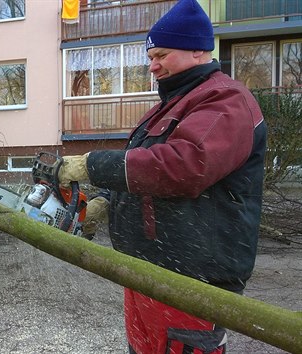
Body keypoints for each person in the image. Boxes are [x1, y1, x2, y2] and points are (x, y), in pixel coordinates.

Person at [57, 0, 267, 353]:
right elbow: (142, 168)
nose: (152, 66)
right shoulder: (169, 106)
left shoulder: (225, 101)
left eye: (162, 55)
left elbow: (183, 166)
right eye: (151, 56)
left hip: (191, 280)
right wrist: (106, 203)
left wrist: (92, 165)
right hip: (148, 270)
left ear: (198, 48)